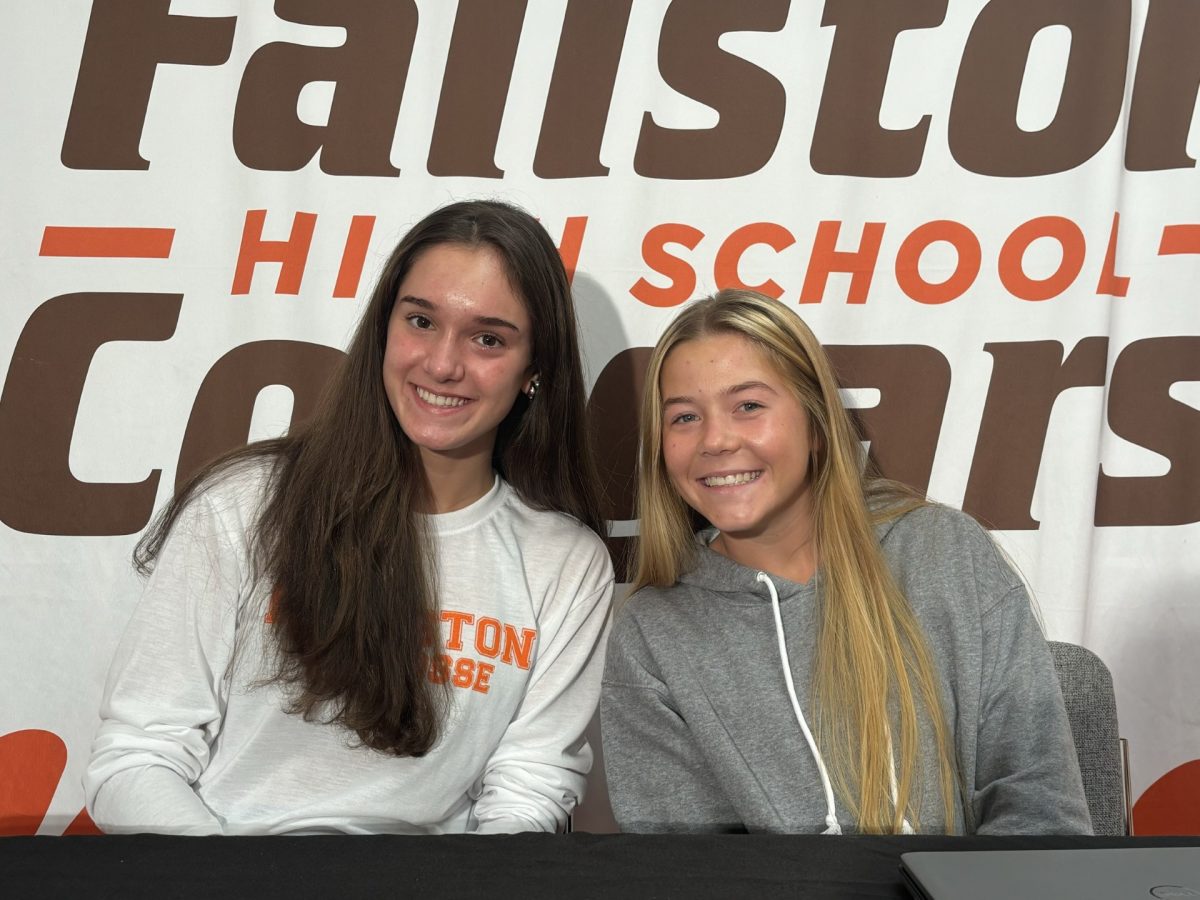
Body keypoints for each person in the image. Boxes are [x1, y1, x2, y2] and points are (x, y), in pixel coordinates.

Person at [85, 200, 614, 835]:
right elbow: (138, 757)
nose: (443, 364)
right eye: (421, 320)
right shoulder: (246, 505)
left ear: (534, 370)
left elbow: (528, 796)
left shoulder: (566, 562)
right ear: (383, 329)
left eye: (487, 338)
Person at [600, 289, 1091, 835]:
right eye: (685, 417)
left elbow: (1041, 808)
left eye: (749, 406)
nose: (716, 440)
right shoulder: (651, 633)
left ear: (815, 423)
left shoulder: (944, 553)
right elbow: (685, 870)